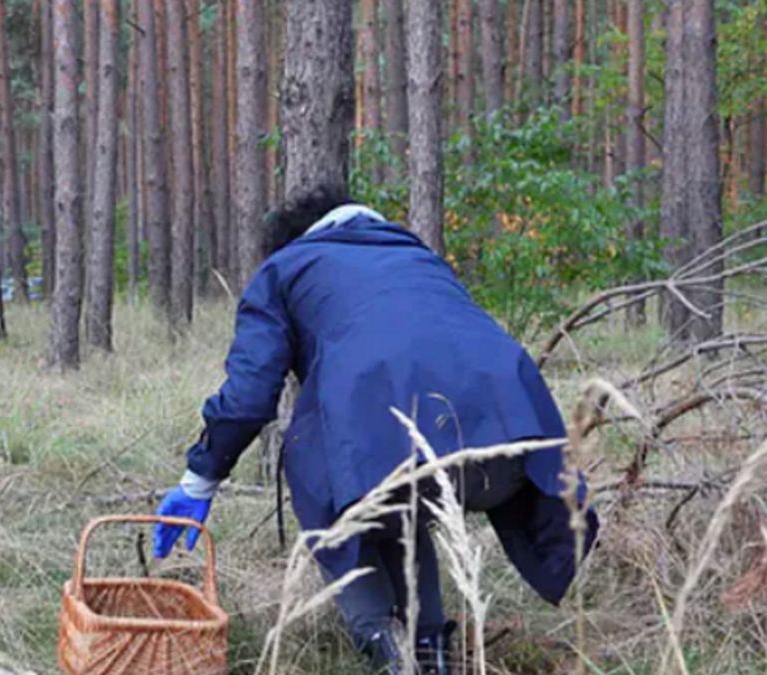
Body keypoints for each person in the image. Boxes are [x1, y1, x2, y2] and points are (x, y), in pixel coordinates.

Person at [150, 186, 599, 674]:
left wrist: (200, 478)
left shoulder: (283, 269)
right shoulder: (421, 260)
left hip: (401, 453)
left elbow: (250, 394)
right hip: (515, 446)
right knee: (396, 496)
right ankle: (430, 655)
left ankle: (389, 648)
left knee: (328, 464)